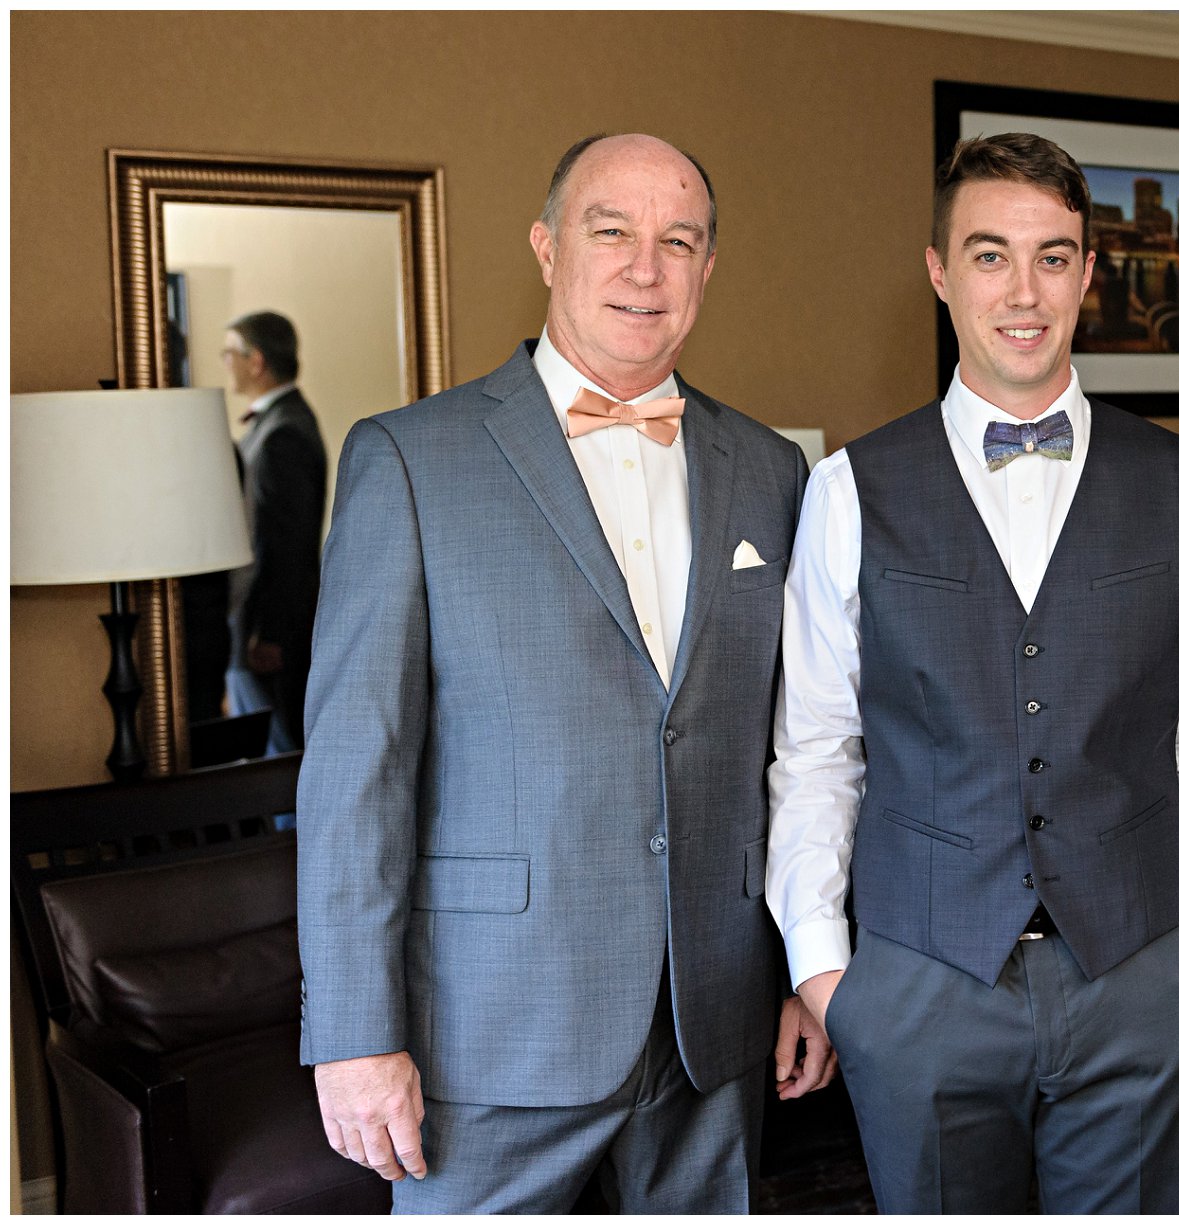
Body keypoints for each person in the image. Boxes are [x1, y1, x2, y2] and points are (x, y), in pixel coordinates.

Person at [296, 133, 831, 1214]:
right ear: (546, 248)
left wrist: (802, 972)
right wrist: (355, 1034)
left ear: (708, 268)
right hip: (492, 1032)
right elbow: (358, 768)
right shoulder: (408, 459)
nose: (646, 268)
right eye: (612, 233)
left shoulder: (775, 469)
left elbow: (795, 749)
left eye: (678, 241)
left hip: (712, 1020)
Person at [767, 132, 1179, 1213]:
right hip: (920, 987)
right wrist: (826, 972)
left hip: (1142, 977)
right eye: (991, 255)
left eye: (1054, 256)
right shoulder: (850, 489)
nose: (1024, 291)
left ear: (1090, 274)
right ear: (941, 272)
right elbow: (818, 748)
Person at [221, 310, 326, 753]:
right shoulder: (276, 424)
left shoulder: (284, 433)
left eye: (229, 352)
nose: (224, 363)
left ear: (256, 360)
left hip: (271, 633)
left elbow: (287, 542)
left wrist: (271, 634)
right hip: (257, 626)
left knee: (279, 754)